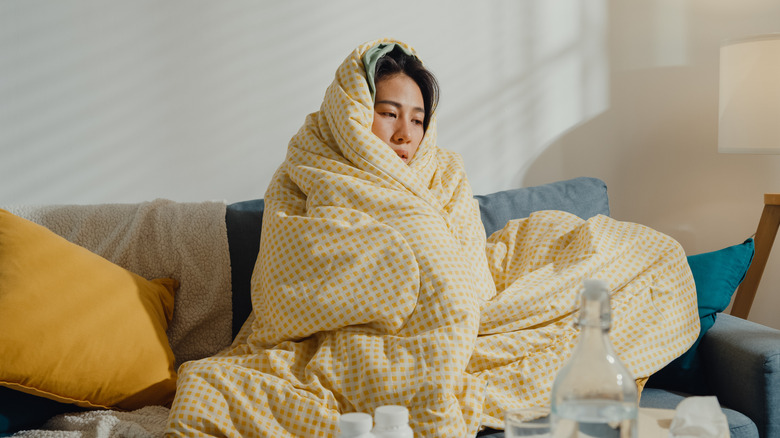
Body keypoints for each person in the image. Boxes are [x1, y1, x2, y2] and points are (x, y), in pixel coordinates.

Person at [166, 39, 699, 437]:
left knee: (652, 258)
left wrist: (434, 273)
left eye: (417, 120)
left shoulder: (443, 173)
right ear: (351, 113)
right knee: (205, 390)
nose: (404, 134)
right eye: (388, 113)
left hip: (468, 307)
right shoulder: (305, 171)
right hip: (352, 337)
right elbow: (284, 285)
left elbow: (464, 267)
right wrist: (390, 269)